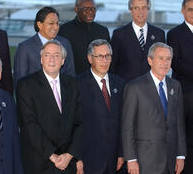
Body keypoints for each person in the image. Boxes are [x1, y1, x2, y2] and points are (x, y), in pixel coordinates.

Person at [16, 40, 82, 174]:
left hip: (68, 163)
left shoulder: (73, 85)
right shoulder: (26, 85)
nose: (52, 59)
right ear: (41, 59)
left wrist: (70, 155)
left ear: (63, 60)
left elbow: (80, 122)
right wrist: (53, 156)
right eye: (47, 55)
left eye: (56, 55)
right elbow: (29, 125)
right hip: (40, 162)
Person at [122, 42, 186, 174]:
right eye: (161, 58)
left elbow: (179, 123)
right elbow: (127, 126)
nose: (165, 63)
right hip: (145, 159)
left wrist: (180, 155)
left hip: (170, 158)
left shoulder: (176, 86)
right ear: (150, 60)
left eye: (168, 59)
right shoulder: (134, 87)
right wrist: (131, 158)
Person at [76, 39, 125, 174]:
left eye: (107, 56)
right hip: (88, 159)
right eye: (99, 56)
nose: (104, 60)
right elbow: (74, 124)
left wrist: (121, 153)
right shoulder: (77, 84)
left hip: (114, 160)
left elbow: (123, 122)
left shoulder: (120, 84)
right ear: (90, 58)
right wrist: (77, 158)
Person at [14, 6, 75, 92]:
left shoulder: (65, 43)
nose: (56, 27)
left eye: (57, 23)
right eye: (51, 23)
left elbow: (71, 75)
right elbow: (19, 82)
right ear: (39, 25)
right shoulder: (25, 47)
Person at [111, 0, 165, 82]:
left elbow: (162, 63)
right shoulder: (119, 34)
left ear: (148, 10)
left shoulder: (159, 34)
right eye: (136, 8)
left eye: (144, 8)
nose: (140, 12)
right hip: (126, 87)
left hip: (151, 87)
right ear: (131, 11)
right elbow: (113, 65)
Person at [167, 0, 193, 174]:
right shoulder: (174, 34)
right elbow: (175, 63)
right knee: (183, 136)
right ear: (183, 11)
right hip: (184, 92)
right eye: (190, 9)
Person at [58, 0, 110, 74]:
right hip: (73, 80)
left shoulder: (103, 31)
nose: (90, 12)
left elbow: (108, 58)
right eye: (85, 9)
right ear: (76, 9)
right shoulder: (64, 30)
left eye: (93, 9)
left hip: (98, 79)